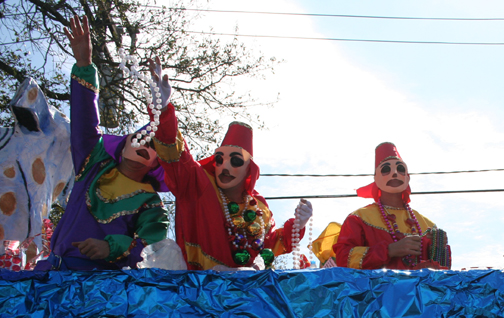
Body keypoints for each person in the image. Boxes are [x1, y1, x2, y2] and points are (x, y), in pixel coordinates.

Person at [149, 61, 311, 270]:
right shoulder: (200, 184)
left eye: (235, 161)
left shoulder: (260, 208)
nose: (225, 166)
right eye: (220, 159)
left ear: (248, 170)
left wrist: (298, 224)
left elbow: (270, 247)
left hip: (246, 294)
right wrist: (163, 112)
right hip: (203, 291)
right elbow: (176, 156)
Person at [38, 15, 168, 271]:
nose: (145, 142)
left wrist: (112, 247)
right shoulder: (94, 165)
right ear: (123, 145)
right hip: (52, 273)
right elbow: (85, 125)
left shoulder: (150, 202)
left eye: (153, 145)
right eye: (139, 137)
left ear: (156, 162)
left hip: (101, 287)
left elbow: (154, 246)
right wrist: (84, 64)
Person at [330, 142, 450, 269]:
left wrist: (439, 248)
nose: (394, 173)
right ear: (375, 178)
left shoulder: (427, 225)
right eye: (386, 169)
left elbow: (442, 272)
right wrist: (389, 250)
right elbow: (343, 259)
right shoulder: (358, 218)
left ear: (407, 178)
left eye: (401, 169)